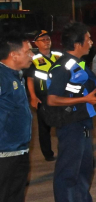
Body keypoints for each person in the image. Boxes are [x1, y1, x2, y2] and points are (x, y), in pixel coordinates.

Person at [46, 23, 96, 202]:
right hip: (70, 124)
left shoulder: (80, 64)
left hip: (83, 121)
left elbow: (84, 90)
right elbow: (52, 99)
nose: (91, 42)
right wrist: (85, 99)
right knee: (67, 171)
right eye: (88, 39)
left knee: (84, 168)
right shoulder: (62, 67)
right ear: (77, 43)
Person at [0, 34, 41, 202]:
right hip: (3, 150)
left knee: (15, 194)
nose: (32, 55)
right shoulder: (1, 77)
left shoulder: (14, 75)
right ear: (13, 55)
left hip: (19, 147)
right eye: (28, 52)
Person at [25, 30, 62, 161]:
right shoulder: (33, 59)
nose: (47, 42)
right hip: (43, 96)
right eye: (43, 40)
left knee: (62, 123)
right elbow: (29, 79)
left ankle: (64, 149)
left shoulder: (58, 56)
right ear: (36, 43)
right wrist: (33, 97)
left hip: (59, 94)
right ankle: (48, 154)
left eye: (48, 39)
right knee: (44, 127)